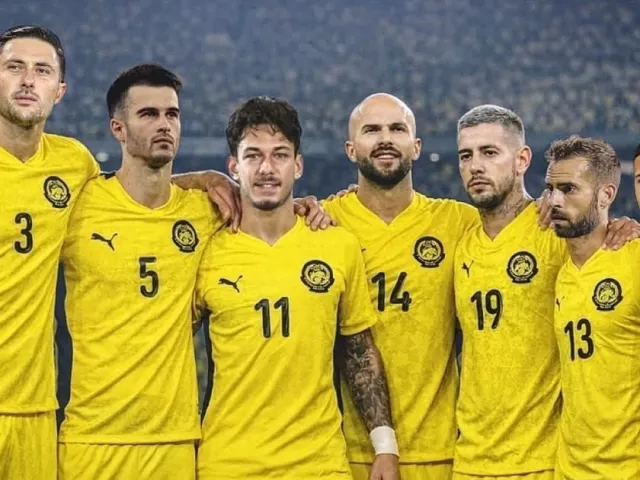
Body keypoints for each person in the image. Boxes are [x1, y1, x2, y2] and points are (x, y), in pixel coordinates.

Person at [194, 96, 400, 480]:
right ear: (233, 167)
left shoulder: (337, 245)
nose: (267, 168)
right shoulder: (207, 252)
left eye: (280, 155)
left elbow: (358, 350)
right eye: (253, 155)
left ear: (298, 165)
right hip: (228, 464)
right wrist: (198, 179)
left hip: (319, 464)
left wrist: (385, 446)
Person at [57, 64, 232, 480]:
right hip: (92, 440)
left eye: (172, 114)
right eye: (148, 114)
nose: (164, 124)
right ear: (118, 128)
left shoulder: (206, 211)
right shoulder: (79, 205)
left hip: (175, 442)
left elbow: (271, 216)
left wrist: (304, 206)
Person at [452, 105, 639, 480]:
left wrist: (627, 225)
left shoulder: (554, 234)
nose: (476, 166)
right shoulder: (455, 235)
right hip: (468, 458)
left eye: (489, 152)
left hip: (544, 458)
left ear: (522, 159)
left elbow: (595, 236)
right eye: (466, 155)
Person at [322, 93, 479, 480]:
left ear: (417, 146)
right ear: (350, 149)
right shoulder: (321, 222)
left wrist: (612, 226)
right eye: (371, 130)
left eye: (397, 129)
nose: (385, 138)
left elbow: (526, 221)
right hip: (343, 453)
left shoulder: (458, 222)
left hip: (442, 450)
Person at [0, 25, 99, 479]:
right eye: (14, 67)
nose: (27, 80)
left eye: (42, 71)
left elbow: (130, 201)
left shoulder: (74, 163)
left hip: (33, 408)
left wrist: (201, 181)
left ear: (59, 91)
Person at [545, 136, 640, 480]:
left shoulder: (633, 261)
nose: (555, 201)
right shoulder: (561, 271)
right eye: (550, 189)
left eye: (569, 189)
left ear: (606, 195)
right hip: (569, 468)